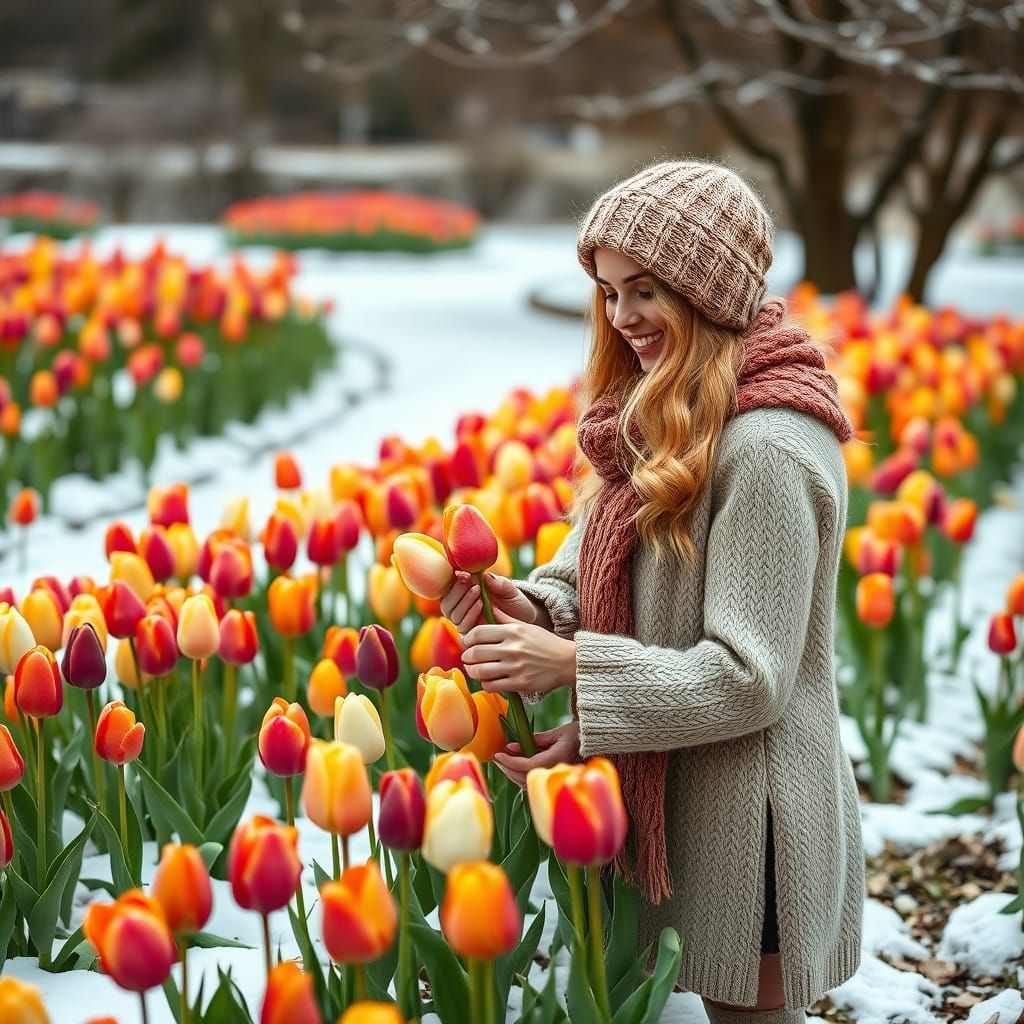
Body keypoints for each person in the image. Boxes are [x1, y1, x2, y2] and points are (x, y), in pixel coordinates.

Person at [440, 159, 866, 1024]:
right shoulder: (666, 418)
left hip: (755, 828)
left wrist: (573, 666)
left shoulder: (767, 448)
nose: (620, 317)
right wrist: (541, 606)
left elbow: (749, 676)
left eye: (644, 291)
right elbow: (613, 563)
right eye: (606, 291)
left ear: (706, 291)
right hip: (688, 798)